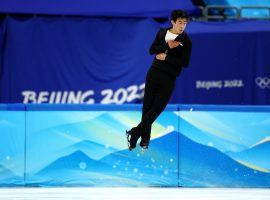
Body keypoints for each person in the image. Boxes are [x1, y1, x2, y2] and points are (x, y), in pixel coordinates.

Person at [126, 9, 192, 151]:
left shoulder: (186, 41)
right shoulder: (162, 33)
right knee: (147, 108)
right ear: (173, 22)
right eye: (180, 22)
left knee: (157, 108)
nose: (182, 26)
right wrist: (167, 46)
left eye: (185, 23)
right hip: (154, 73)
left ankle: (135, 132)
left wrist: (167, 57)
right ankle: (144, 141)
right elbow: (152, 50)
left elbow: (185, 63)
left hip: (169, 77)